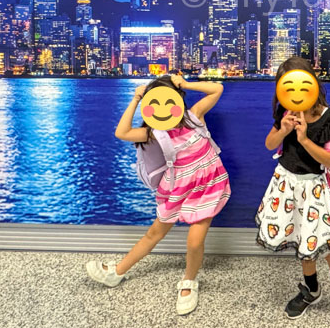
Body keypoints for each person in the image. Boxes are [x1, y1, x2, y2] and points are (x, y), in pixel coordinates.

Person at [86, 74, 229, 315]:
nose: (163, 108)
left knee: (195, 241)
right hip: (179, 188)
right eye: (155, 103)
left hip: (207, 186)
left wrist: (183, 84)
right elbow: (122, 132)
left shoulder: (194, 117)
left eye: (168, 100)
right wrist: (136, 98)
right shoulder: (155, 133)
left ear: (177, 100)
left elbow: (217, 89)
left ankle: (189, 282)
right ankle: (117, 272)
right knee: (153, 233)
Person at [254, 56, 330, 328]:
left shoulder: (328, 118)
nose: (295, 94)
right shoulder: (285, 111)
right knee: (301, 240)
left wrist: (304, 139)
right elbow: (269, 144)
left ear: (313, 85)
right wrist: (283, 128)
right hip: (285, 185)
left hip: (314, 189)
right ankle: (311, 289)